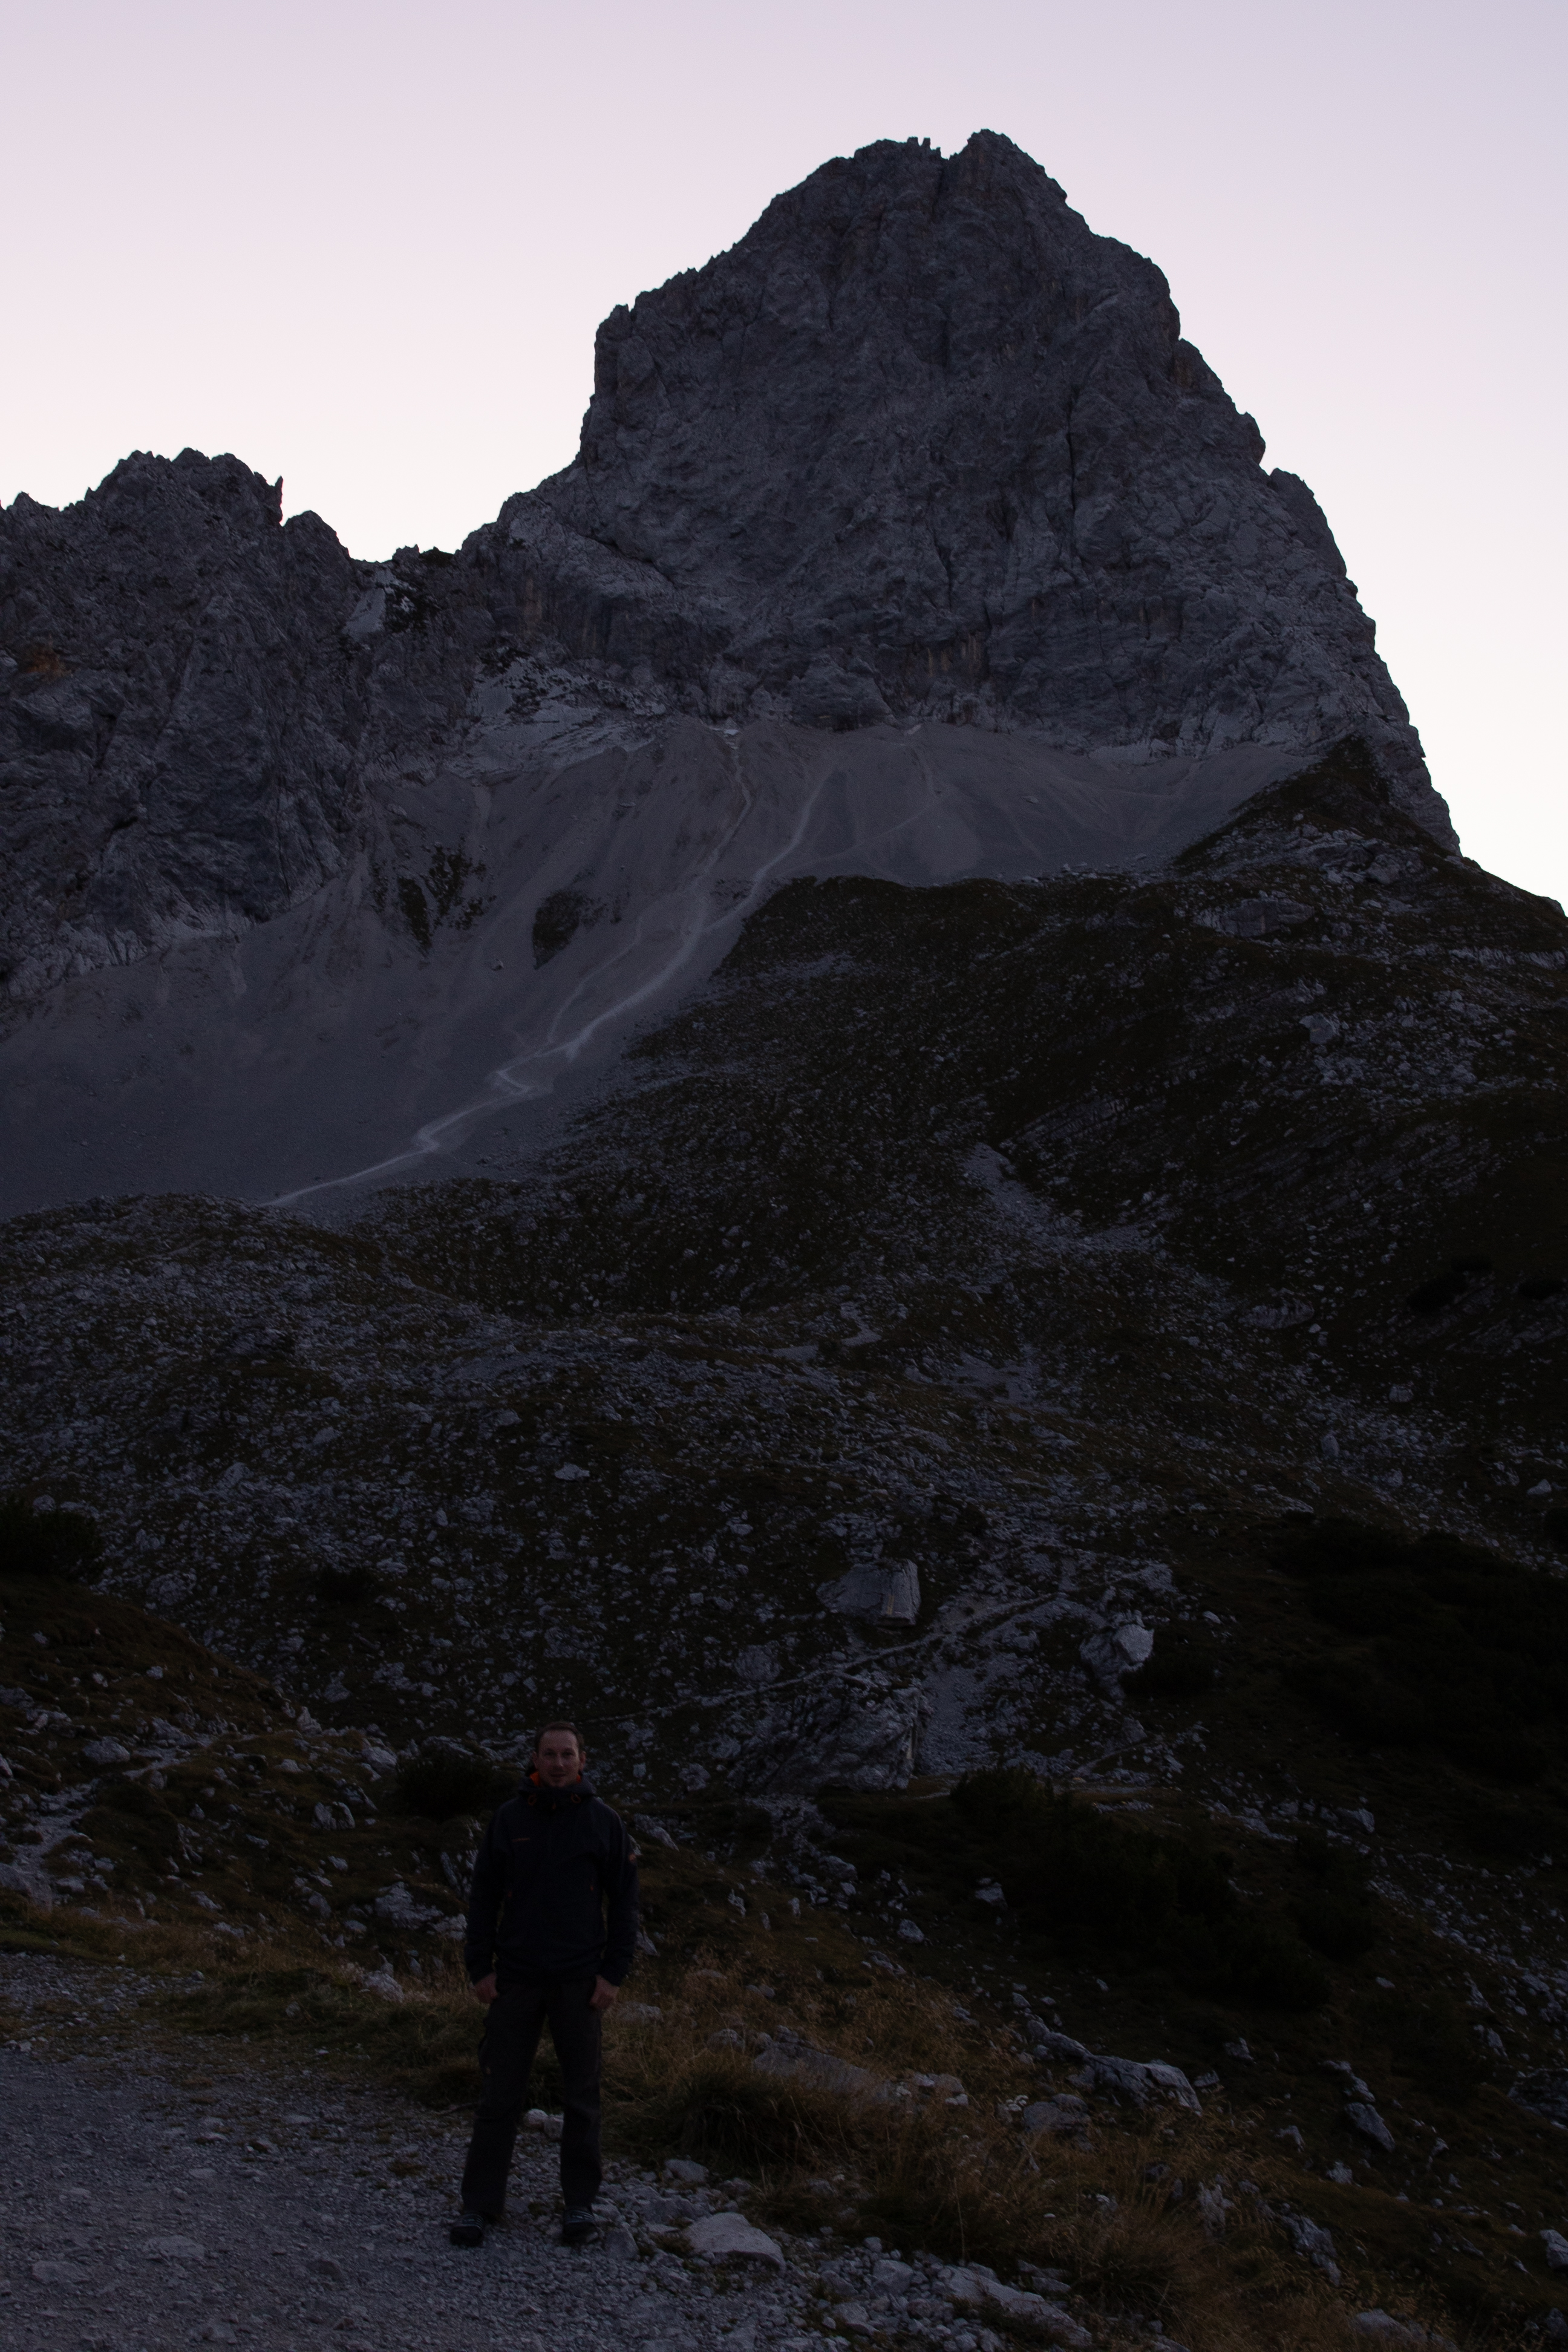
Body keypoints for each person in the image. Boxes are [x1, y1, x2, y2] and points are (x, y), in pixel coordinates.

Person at [450, 1720, 639, 2248]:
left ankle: (579, 2205)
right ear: (534, 1759)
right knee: (499, 2095)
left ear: (583, 1761)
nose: (558, 1764)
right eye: (549, 1754)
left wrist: (613, 1974)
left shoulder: (604, 1822)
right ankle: (479, 2206)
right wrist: (480, 1968)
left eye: (567, 1755)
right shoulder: (509, 1820)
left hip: (579, 1981)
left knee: (582, 2097)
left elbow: (626, 1902)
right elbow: (483, 1896)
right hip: (517, 1979)